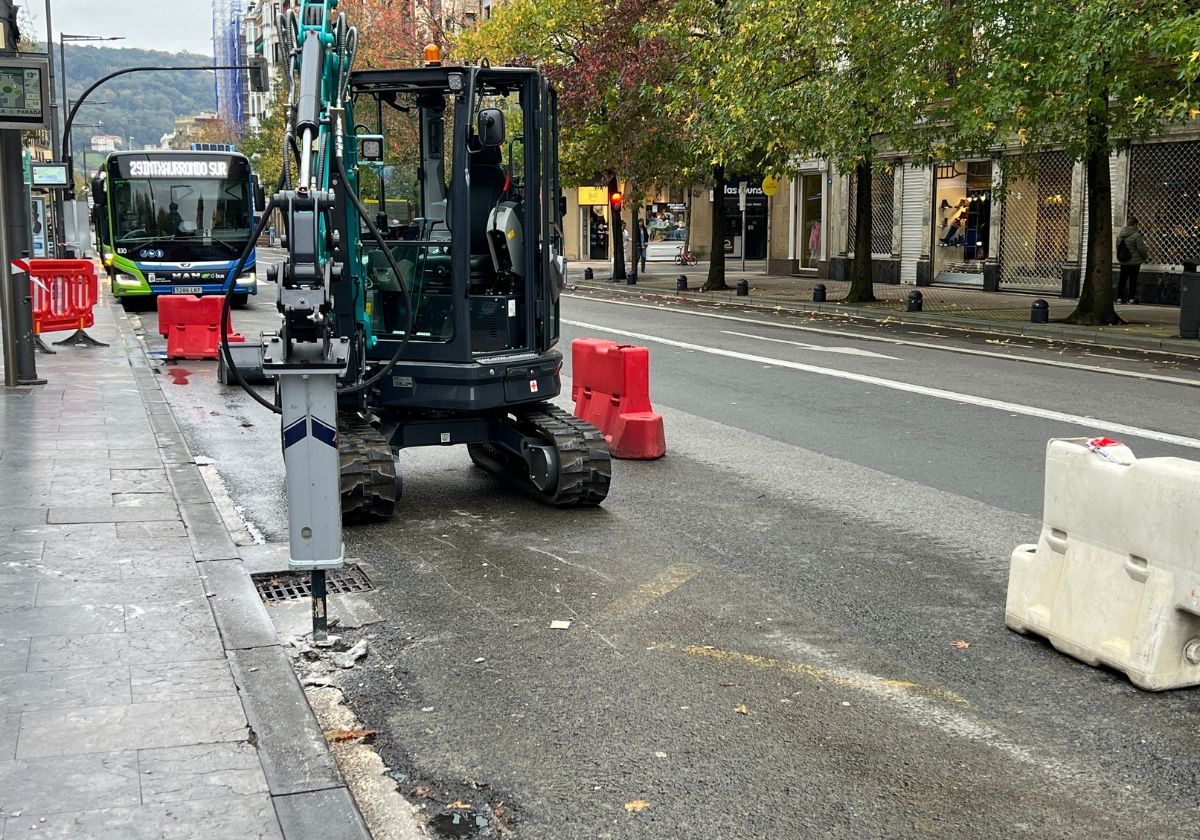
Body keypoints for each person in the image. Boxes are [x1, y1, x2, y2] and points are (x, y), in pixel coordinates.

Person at [1116, 215, 1149, 304]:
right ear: (1134, 224)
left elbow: (1118, 248)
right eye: (1137, 225)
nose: (1137, 227)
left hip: (1123, 261)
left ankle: (1119, 297)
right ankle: (1131, 298)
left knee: (1122, 280)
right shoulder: (1136, 235)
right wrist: (1145, 257)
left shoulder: (1119, 235)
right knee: (1133, 280)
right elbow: (1141, 249)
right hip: (1134, 263)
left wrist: (1120, 257)